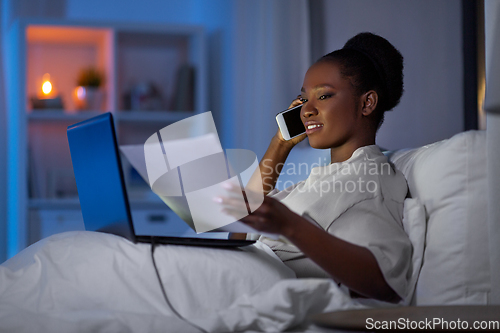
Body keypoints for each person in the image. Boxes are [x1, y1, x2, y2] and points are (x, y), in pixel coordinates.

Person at [218, 32, 411, 303]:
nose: (306, 110)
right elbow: (237, 234)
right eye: (303, 99)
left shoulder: (369, 180)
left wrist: (290, 226)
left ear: (367, 103)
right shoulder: (320, 180)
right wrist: (280, 144)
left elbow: (387, 284)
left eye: (323, 96)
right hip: (230, 279)